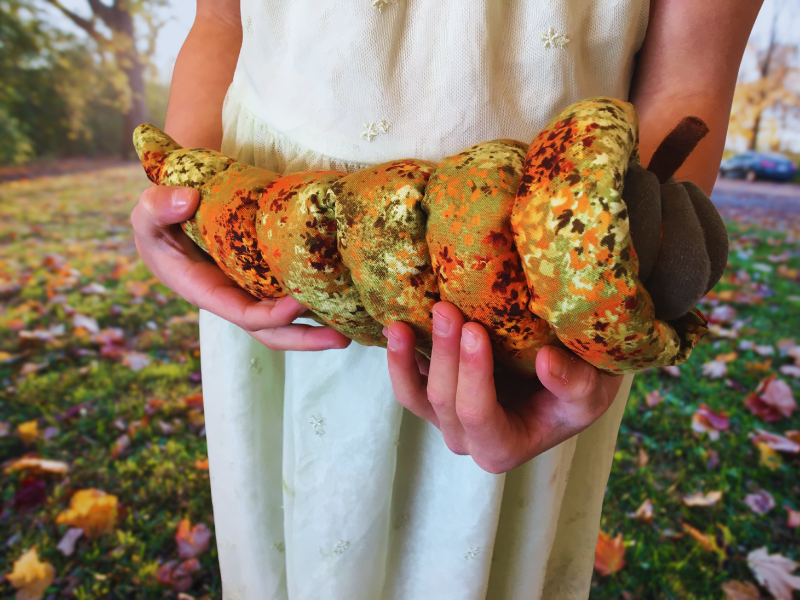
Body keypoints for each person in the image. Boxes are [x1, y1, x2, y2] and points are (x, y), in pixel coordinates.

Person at [131, 1, 762, 597]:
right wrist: (182, 204)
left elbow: (687, 82)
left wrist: (607, 296)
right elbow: (220, 18)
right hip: (262, 238)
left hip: (526, 301)